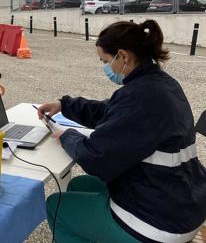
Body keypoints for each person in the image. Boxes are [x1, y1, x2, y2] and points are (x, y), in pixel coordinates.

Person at [37, 20, 206, 243]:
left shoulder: (140, 97)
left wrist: (66, 135)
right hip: (181, 199)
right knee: (79, 185)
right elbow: (110, 111)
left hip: (159, 222)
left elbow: (96, 157)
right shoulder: (160, 84)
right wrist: (64, 105)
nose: (106, 67)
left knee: (56, 205)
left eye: (105, 61)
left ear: (123, 56)